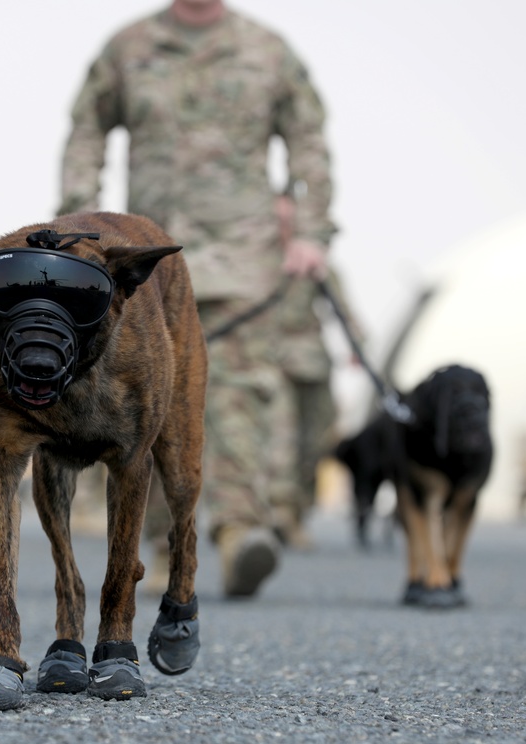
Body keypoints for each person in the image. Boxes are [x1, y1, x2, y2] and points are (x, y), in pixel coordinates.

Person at [59, 0, 338, 597]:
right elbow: (86, 128)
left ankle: (239, 531)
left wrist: (312, 230)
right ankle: (160, 547)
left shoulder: (268, 50)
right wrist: (78, 226)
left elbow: (309, 139)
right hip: (148, 265)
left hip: (244, 263)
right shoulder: (128, 47)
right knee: (151, 403)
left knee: (239, 396)